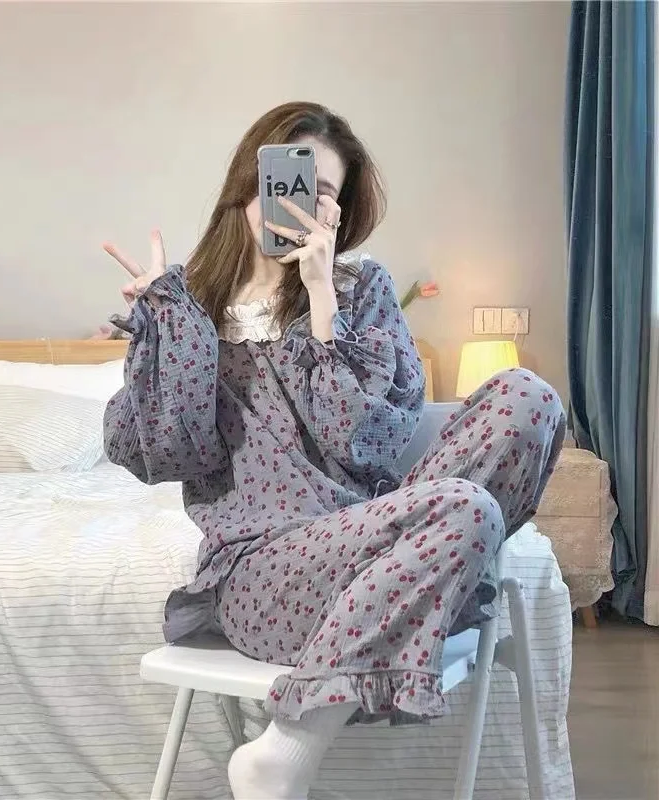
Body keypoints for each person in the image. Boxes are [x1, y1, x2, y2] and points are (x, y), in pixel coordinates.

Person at [103, 102, 565, 800]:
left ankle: (287, 749)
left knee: (528, 397)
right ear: (248, 185)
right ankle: (413, 606)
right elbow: (171, 454)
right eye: (287, 182)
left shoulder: (360, 290)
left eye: (323, 194)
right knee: (468, 512)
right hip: (261, 571)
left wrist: (323, 302)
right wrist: (173, 329)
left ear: (339, 214)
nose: (302, 205)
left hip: (367, 537)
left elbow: (368, 448)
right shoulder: (188, 305)